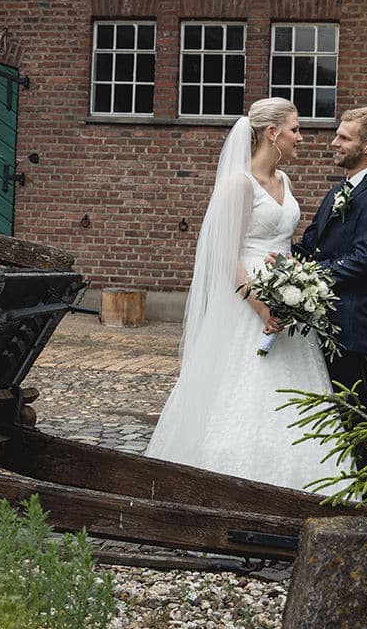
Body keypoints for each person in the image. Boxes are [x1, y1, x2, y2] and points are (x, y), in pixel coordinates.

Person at [145, 97, 346, 491]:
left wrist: (297, 283)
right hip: (248, 302)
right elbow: (225, 254)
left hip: (287, 296)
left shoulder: (284, 181)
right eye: (295, 129)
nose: (300, 138)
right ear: (272, 134)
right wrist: (259, 305)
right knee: (240, 390)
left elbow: (285, 241)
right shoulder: (239, 184)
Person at [292, 107, 367, 464]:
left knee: (356, 415)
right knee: (325, 413)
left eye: (344, 137)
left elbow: (366, 258)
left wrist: (310, 277)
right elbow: (309, 245)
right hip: (319, 324)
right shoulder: (337, 191)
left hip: (349, 326)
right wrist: (276, 261)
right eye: (337, 135)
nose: (334, 143)